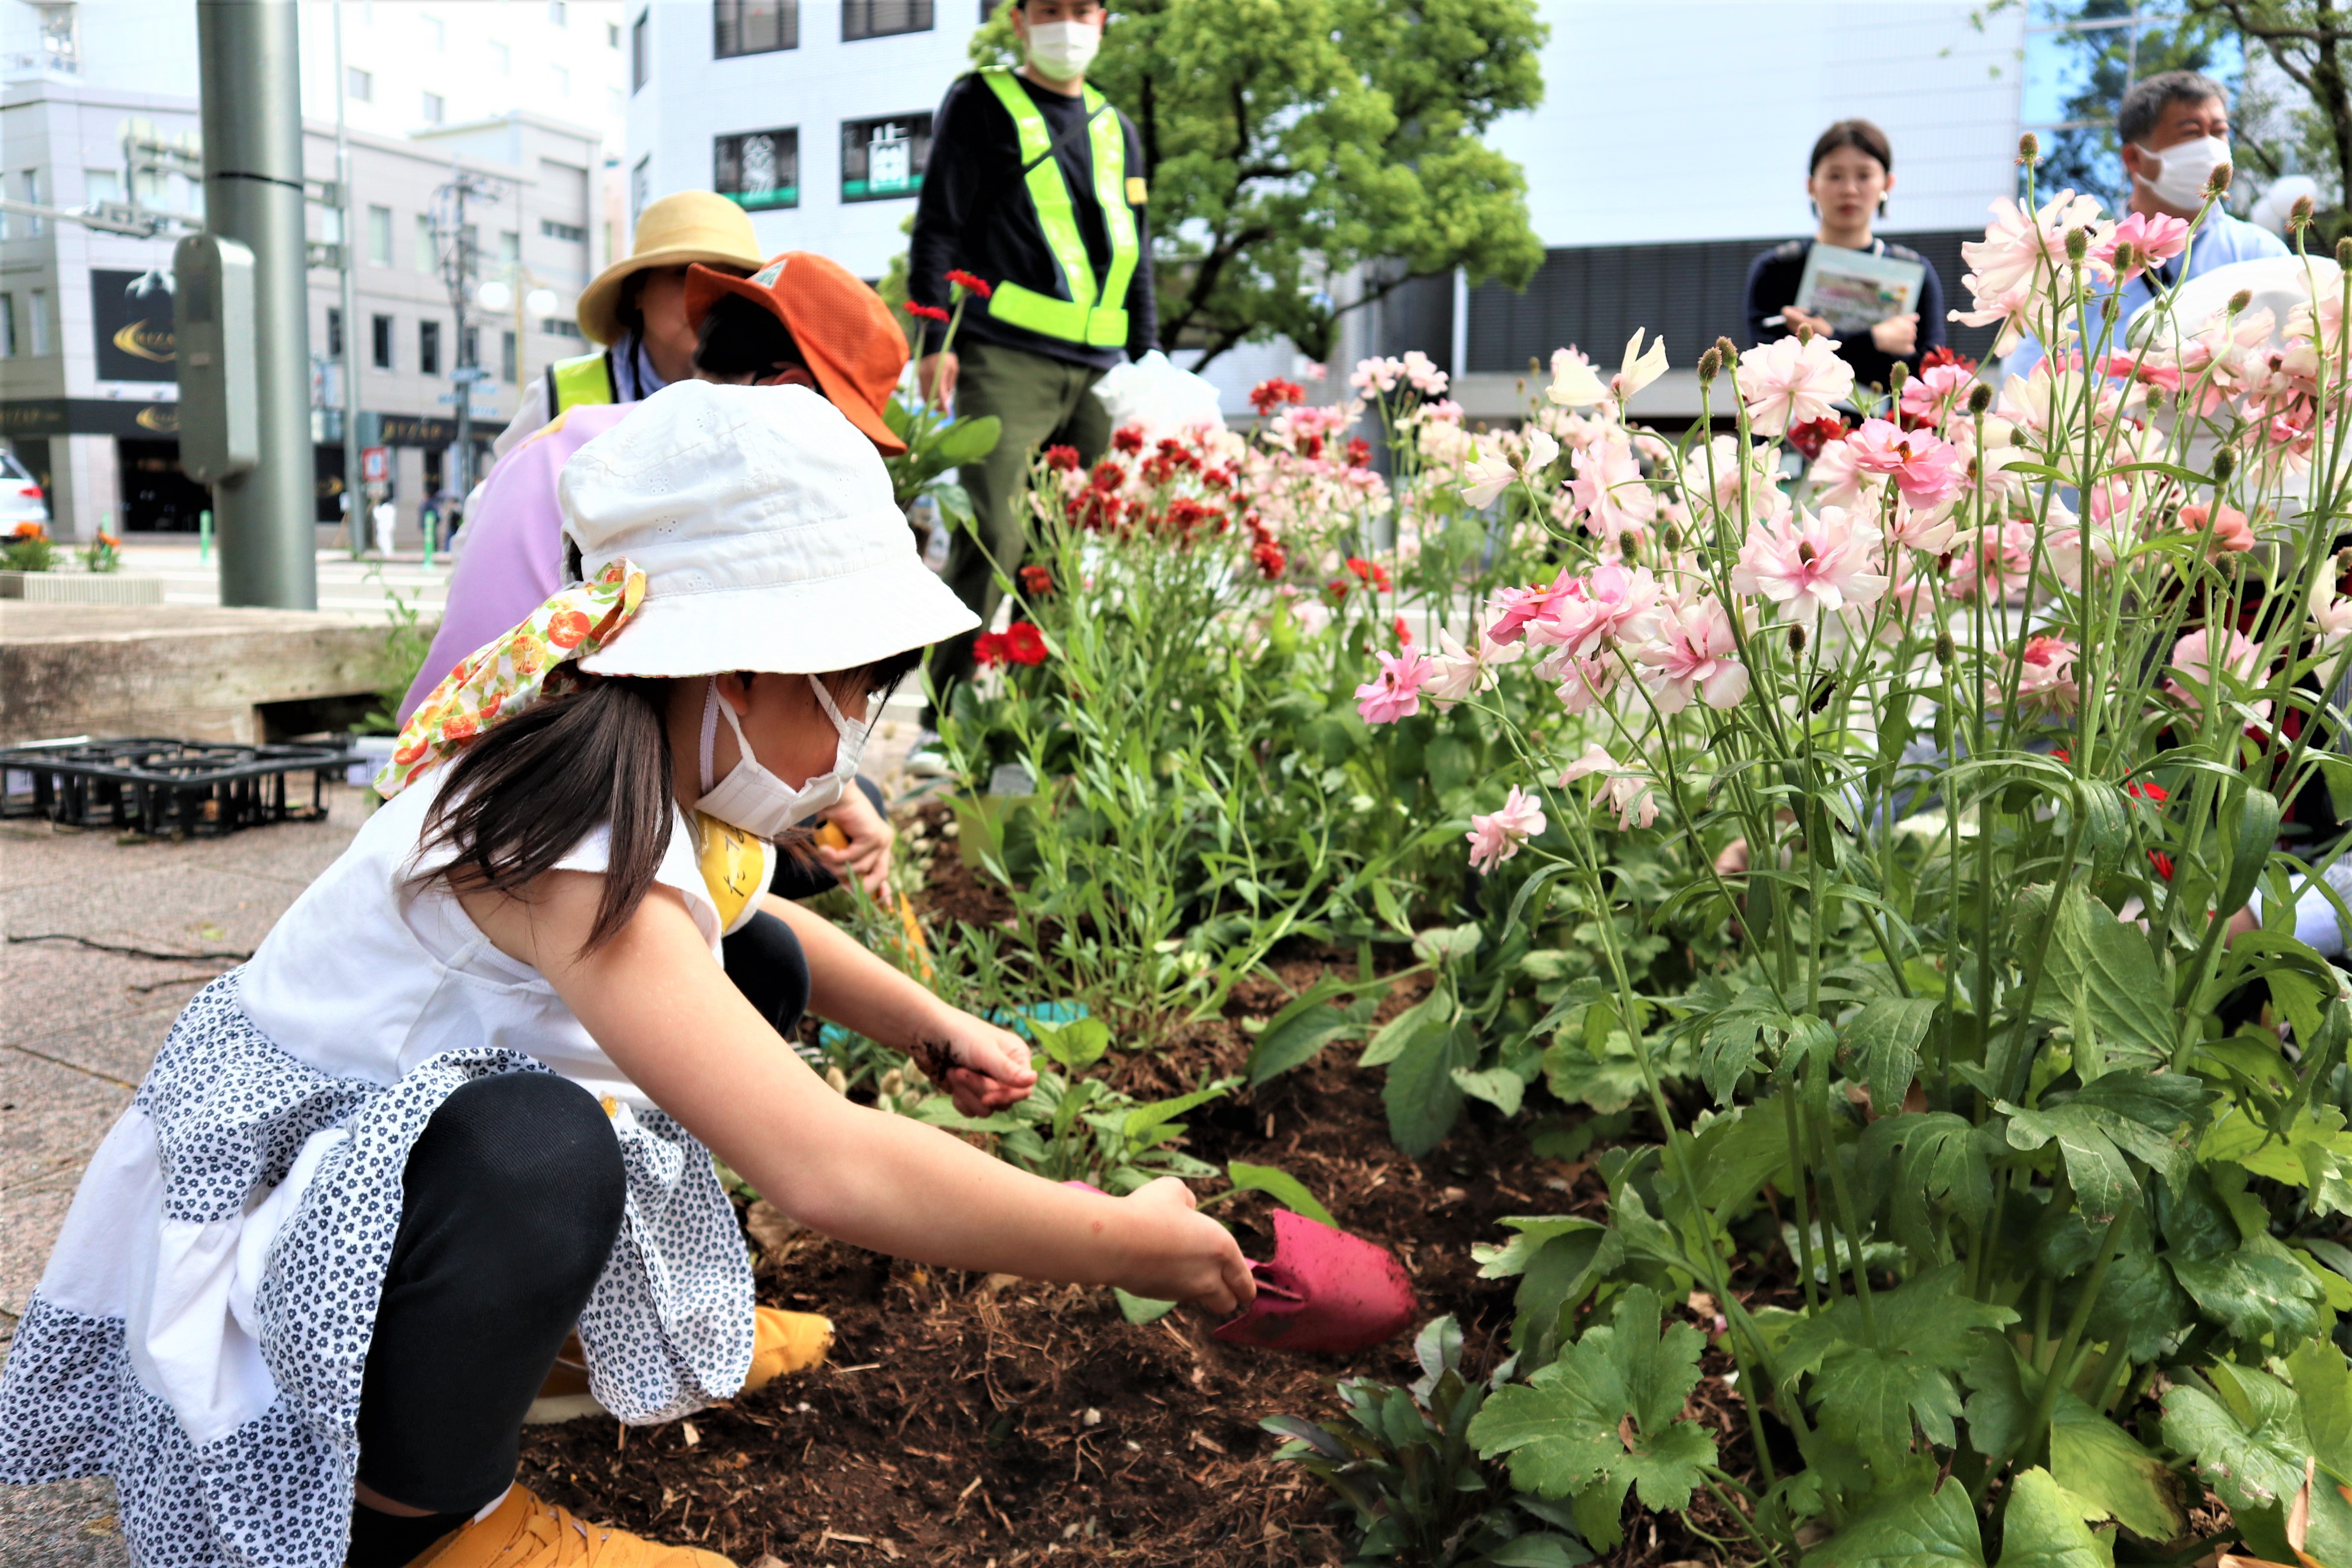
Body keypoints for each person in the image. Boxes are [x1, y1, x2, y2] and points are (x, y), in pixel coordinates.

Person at [0, 380, 1252, 1568]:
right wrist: (1128, 1243)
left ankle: (525, 1351)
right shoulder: (565, 835)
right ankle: (422, 1516)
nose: (859, 734)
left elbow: (765, 929)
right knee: (535, 1150)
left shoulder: (630, 754)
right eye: (856, 688)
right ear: (739, 666)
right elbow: (828, 1164)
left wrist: (928, 1018)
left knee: (745, 959)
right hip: (284, 1247)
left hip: (376, 1185)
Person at [403, 251, 913, 900]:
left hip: (458, 777)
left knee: (823, 808)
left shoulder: (609, 441)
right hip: (531, 815)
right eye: (841, 436)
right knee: (798, 851)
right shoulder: (698, 500)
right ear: (791, 395)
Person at [907, 0, 1155, 749]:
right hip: (1002, 354)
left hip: (1100, 371)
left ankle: (1045, 724)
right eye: (1050, 10)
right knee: (994, 531)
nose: (1067, 24)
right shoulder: (981, 100)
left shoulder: (1120, 129)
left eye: (1081, 10)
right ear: (1020, 21)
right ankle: (942, 721)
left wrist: (1147, 358)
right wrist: (929, 335)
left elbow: (1135, 247)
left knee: (1068, 550)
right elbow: (939, 222)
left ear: (1104, 20)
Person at [2004, 70, 2289, 381]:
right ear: (2134, 159)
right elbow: (2029, 369)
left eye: (2219, 132)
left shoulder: (2261, 253)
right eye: (2191, 132)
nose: (2211, 149)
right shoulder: (2080, 257)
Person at [487, 190, 766, 464]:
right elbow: (499, 500)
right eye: (686, 275)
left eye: (732, 281)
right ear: (637, 292)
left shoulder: (779, 388)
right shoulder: (557, 395)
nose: (709, 297)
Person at [1744, 119, 1946, 395]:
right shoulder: (1776, 270)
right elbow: (1764, 374)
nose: (1849, 190)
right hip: (1790, 434)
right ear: (1811, 185)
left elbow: (1929, 380)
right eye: (1835, 176)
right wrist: (1875, 341)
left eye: (1864, 176)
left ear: (1887, 183)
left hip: (1888, 434)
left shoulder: (1914, 271)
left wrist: (1823, 341)